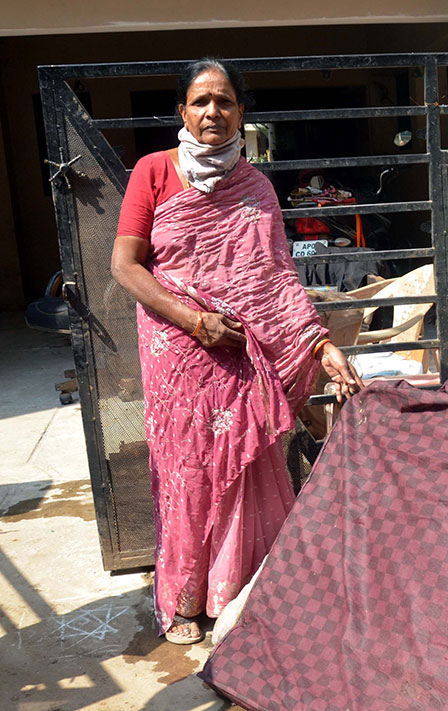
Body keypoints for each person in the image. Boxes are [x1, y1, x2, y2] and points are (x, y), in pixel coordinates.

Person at [111, 58, 364, 645]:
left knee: (248, 465)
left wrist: (320, 344)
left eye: (224, 101)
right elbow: (125, 265)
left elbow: (275, 278)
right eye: (200, 102)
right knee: (187, 473)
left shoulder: (256, 188)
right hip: (178, 352)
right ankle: (183, 602)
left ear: (242, 113)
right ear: (182, 112)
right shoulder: (153, 172)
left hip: (243, 357)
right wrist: (195, 322)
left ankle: (242, 592)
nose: (212, 113)